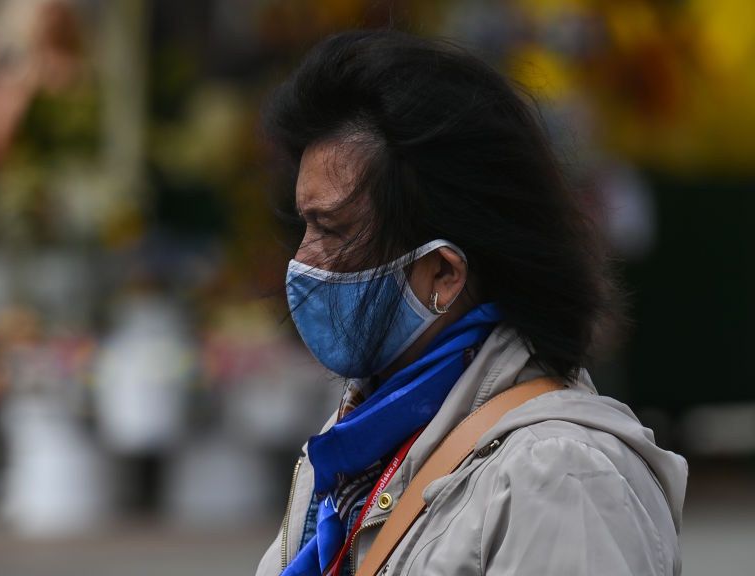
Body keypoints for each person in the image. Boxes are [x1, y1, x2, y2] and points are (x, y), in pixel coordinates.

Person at [255, 30, 686, 576]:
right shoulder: (355, 453)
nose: (303, 260)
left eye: (332, 230)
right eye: (304, 225)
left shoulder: (559, 475)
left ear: (442, 273)